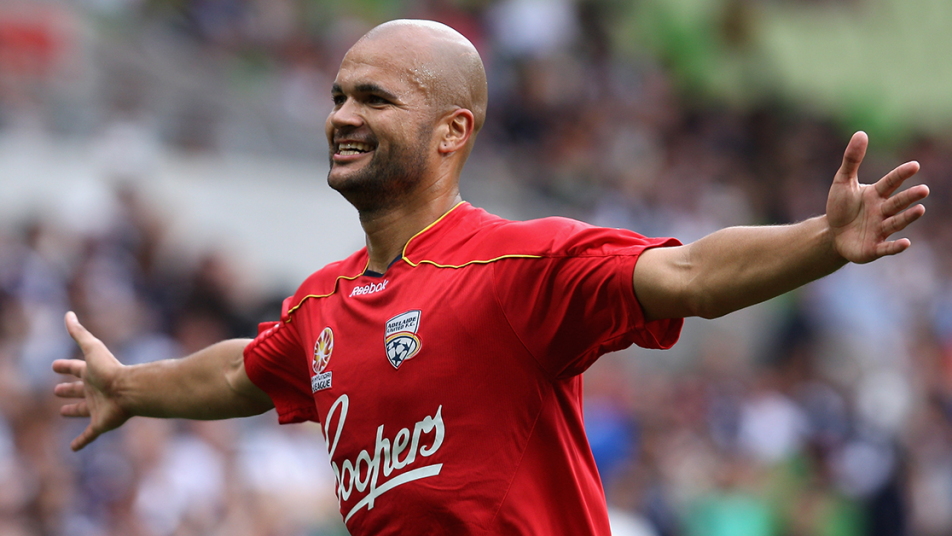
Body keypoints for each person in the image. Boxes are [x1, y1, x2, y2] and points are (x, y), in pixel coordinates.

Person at [53, 19, 929, 536]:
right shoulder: (322, 303)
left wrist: (822, 239)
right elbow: (243, 372)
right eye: (337, 96)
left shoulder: (521, 266)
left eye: (375, 99)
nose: (343, 117)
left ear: (452, 131)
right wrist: (129, 386)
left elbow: (692, 275)